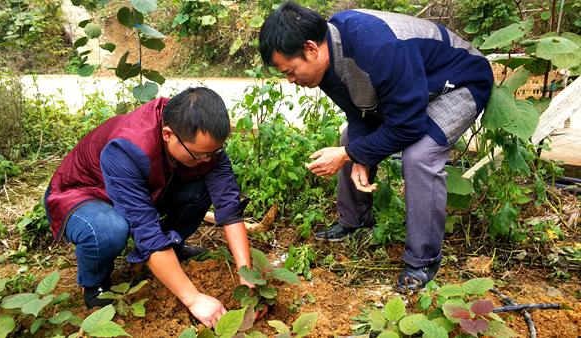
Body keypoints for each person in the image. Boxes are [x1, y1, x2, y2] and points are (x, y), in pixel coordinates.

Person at [259, 1, 493, 292]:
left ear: (310, 49)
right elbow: (358, 113)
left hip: (458, 83)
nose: (292, 81)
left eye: (290, 71)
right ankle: (355, 220)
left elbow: (408, 124)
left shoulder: (377, 47)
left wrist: (352, 155)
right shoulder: (327, 59)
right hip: (414, 89)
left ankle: (423, 259)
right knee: (350, 139)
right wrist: (358, 153)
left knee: (419, 156)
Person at [45, 87, 253, 327]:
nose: (208, 160)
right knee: (109, 229)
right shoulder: (127, 147)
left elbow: (229, 208)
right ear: (167, 134)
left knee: (202, 188)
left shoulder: (200, 142)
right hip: (84, 194)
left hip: (145, 188)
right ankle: (94, 283)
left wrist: (245, 274)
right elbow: (145, 231)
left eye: (213, 152)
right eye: (198, 155)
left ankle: (172, 248)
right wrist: (194, 299)